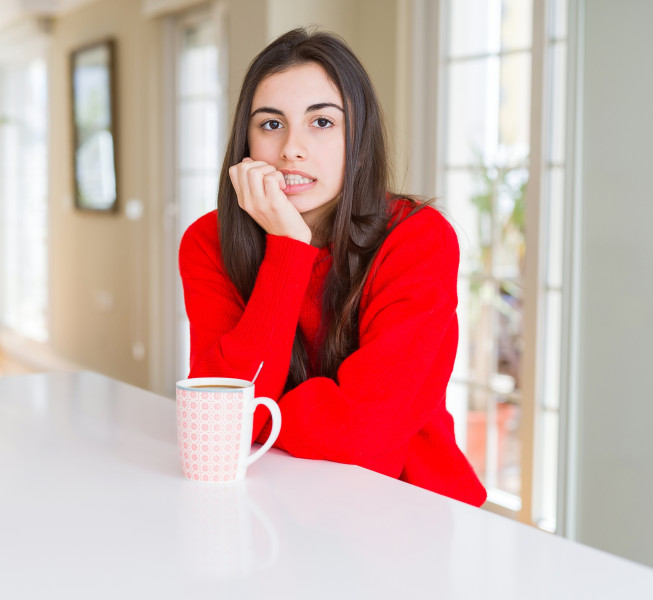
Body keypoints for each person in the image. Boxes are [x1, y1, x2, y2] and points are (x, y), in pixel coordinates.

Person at [179, 27, 486, 507]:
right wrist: (288, 249)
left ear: (357, 136)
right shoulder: (208, 242)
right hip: (270, 502)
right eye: (271, 124)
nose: (291, 150)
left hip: (409, 509)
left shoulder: (419, 240)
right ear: (246, 141)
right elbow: (218, 418)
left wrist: (259, 415)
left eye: (321, 123)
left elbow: (366, 440)